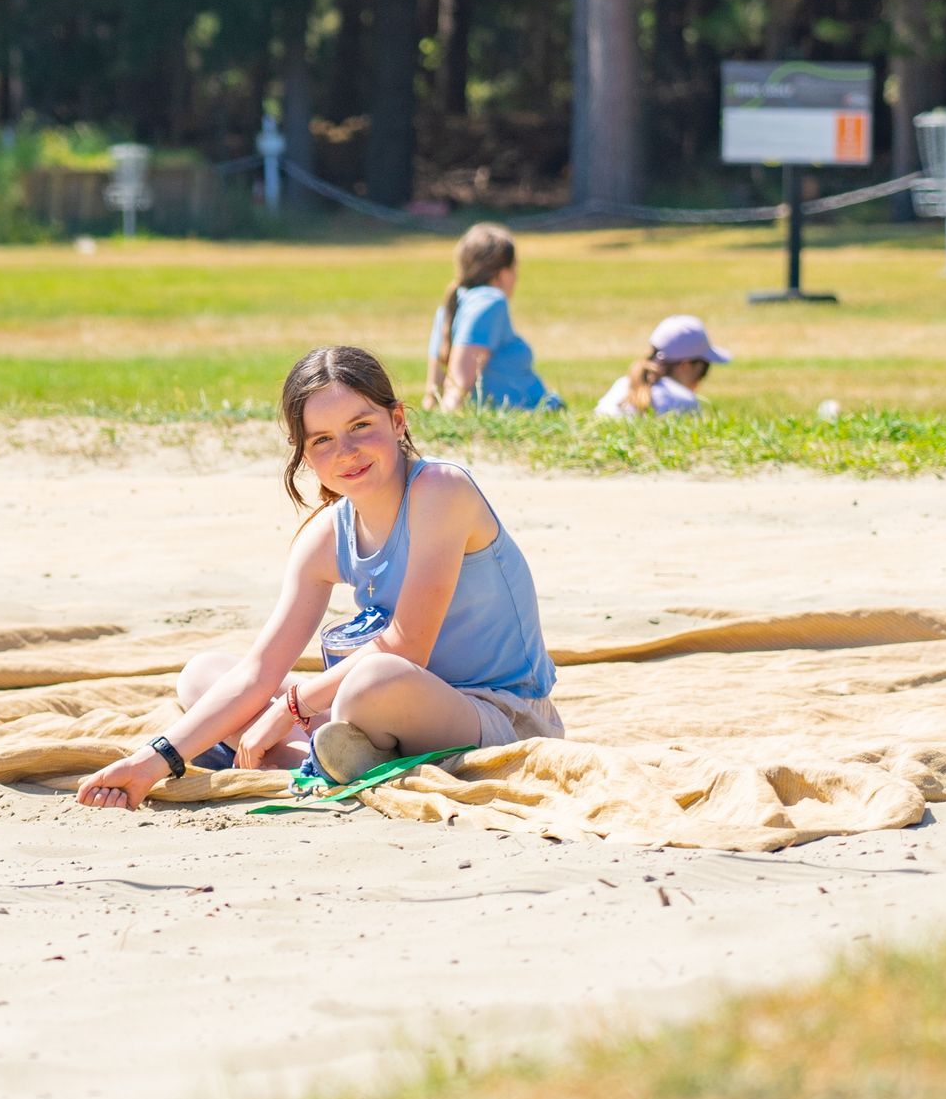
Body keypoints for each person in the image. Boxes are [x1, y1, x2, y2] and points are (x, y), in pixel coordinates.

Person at [77, 345, 561, 810]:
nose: (346, 451)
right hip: (375, 711)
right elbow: (258, 673)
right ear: (304, 454)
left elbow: (406, 645)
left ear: (397, 420)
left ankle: (316, 760)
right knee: (204, 676)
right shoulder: (327, 535)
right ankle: (333, 760)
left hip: (497, 715)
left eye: (361, 426)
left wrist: (290, 707)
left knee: (371, 681)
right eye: (323, 440)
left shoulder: (440, 490)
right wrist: (152, 761)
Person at [424, 222, 562, 412]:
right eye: (515, 268)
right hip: (533, 412)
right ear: (502, 272)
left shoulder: (452, 305)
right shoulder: (490, 301)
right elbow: (458, 385)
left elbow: (432, 395)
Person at [593, 314, 732, 418]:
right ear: (685, 365)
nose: (701, 379)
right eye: (704, 369)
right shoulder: (684, 401)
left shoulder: (620, 386)